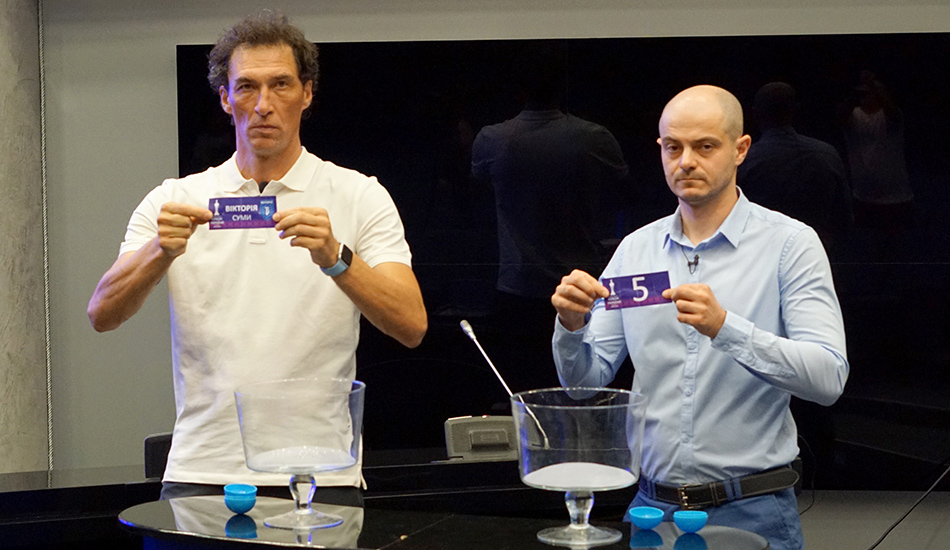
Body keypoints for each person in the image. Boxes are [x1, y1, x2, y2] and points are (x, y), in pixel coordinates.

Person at [87, 13, 427, 503]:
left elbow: (411, 325)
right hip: (203, 469)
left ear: (306, 94)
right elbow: (102, 313)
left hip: (319, 472)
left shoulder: (359, 195)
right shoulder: (175, 199)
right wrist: (159, 251)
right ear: (226, 99)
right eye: (247, 87)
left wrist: (336, 258)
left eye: (280, 85)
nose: (264, 105)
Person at [550, 85, 848, 550]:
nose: (686, 161)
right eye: (673, 147)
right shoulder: (636, 249)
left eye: (705, 146)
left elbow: (828, 378)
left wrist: (725, 328)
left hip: (753, 507)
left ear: (740, 149)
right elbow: (583, 385)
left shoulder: (789, 244)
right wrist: (572, 326)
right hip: (651, 507)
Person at [739, 82, 852, 239]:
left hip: (763, 247)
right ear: (795, 110)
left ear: (755, 113)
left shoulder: (745, 160)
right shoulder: (827, 154)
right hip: (818, 246)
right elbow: (844, 217)